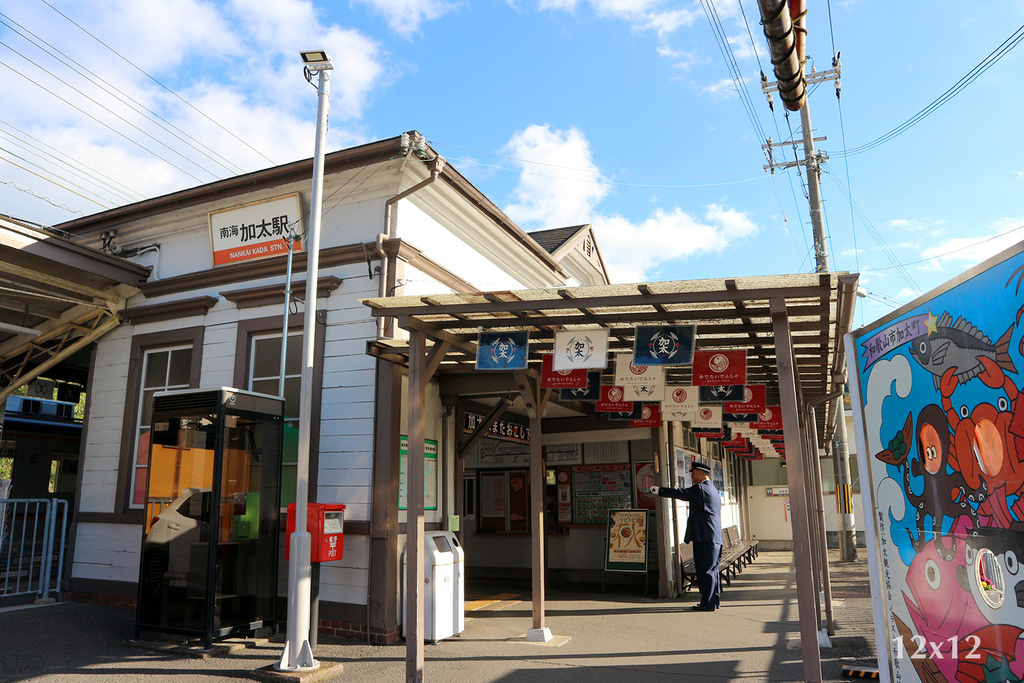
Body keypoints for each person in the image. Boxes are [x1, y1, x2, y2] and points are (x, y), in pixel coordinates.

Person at [649, 461, 723, 611]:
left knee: (705, 571)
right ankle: (713, 601)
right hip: (713, 537)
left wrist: (660, 491)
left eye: (694, 473)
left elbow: (681, 493)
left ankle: (707, 604)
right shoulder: (713, 489)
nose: (692, 477)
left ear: (701, 474)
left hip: (704, 537)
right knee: (712, 570)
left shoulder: (701, 489)